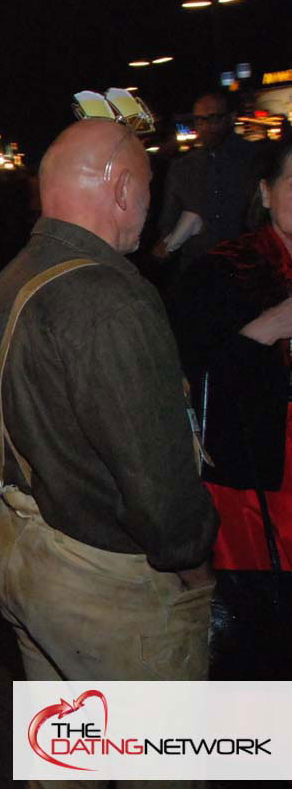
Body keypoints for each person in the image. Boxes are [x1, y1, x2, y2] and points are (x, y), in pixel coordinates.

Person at [0, 119, 217, 696]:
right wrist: (193, 560)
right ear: (123, 187)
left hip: (19, 552)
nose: (151, 205)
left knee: (66, 754)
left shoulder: (9, 281)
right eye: (149, 188)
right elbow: (157, 480)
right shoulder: (113, 298)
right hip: (103, 582)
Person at [170, 137, 292, 679]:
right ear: (266, 193)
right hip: (257, 489)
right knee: (260, 641)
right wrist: (261, 333)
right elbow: (191, 380)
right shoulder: (223, 270)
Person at [153, 92, 259, 274]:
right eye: (199, 120)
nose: (206, 127)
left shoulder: (254, 159)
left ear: (230, 118)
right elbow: (170, 217)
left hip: (246, 265)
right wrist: (166, 242)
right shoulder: (183, 167)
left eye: (213, 118)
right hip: (199, 264)